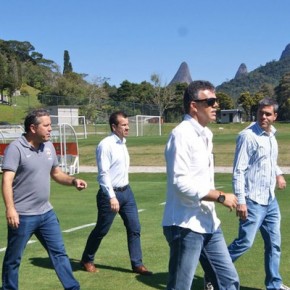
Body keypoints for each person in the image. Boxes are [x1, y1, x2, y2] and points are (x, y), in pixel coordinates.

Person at [162, 80, 239, 290]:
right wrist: (220, 196)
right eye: (211, 101)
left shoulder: (206, 134)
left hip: (208, 222)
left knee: (228, 281)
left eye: (216, 101)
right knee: (180, 286)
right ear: (194, 106)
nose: (216, 106)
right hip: (185, 224)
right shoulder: (181, 134)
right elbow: (181, 183)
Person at [1, 109, 87, 290]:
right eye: (46, 125)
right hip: (22, 216)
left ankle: (72, 287)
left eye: (50, 125)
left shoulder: (48, 147)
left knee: (59, 254)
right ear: (33, 128)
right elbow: (7, 180)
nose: (50, 129)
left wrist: (73, 181)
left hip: (46, 213)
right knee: (13, 259)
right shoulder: (15, 148)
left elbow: (56, 173)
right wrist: (10, 209)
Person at [228, 98, 289, 290]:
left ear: (275, 116)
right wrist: (241, 201)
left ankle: (274, 284)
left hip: (270, 201)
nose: (263, 116)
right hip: (252, 201)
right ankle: (213, 273)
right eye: (261, 113)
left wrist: (278, 174)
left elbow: (269, 160)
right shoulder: (248, 136)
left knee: (274, 245)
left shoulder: (271, 135)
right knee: (244, 243)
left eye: (268, 114)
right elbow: (239, 170)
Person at [80, 111, 152, 275]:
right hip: (110, 196)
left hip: (127, 192)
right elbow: (103, 174)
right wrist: (112, 196)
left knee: (134, 228)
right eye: (124, 125)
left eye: (128, 124)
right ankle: (87, 259)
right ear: (114, 127)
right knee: (102, 230)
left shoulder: (123, 143)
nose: (127, 127)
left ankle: (137, 264)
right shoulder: (105, 145)